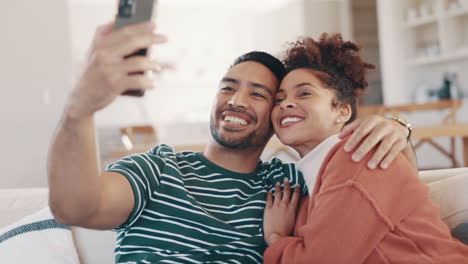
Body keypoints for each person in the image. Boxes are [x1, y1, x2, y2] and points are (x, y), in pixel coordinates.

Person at [47, 22, 414, 263]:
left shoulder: (288, 185)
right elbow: (75, 208)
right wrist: (79, 112)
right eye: (227, 87)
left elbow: (393, 198)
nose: (236, 101)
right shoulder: (158, 169)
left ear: (277, 113)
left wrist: (399, 130)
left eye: (257, 94)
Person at [263, 33, 468, 263]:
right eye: (279, 100)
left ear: (342, 112)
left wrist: (276, 237)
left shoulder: (355, 155)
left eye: (305, 93)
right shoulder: (307, 200)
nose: (286, 104)